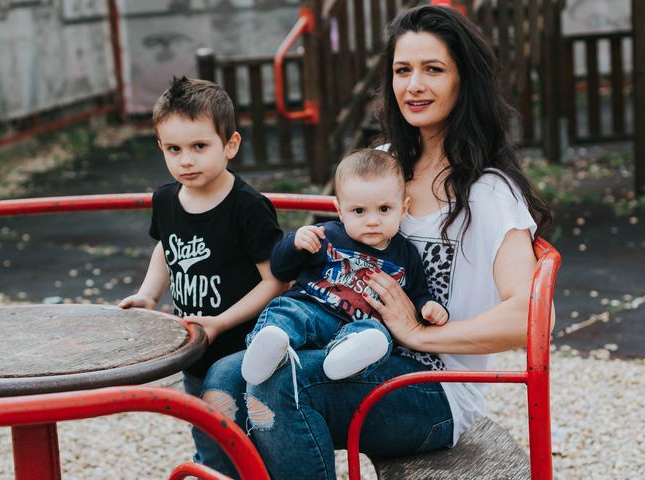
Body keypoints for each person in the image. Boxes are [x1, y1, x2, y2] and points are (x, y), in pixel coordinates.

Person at [196, 5, 553, 479]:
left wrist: (419, 334)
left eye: (433, 69)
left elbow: (530, 318)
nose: (414, 85)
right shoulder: (382, 164)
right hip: (344, 341)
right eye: (403, 70)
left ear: (464, 80)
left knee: (283, 386)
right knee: (224, 375)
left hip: (434, 386)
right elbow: (326, 257)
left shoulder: (487, 192)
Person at [117, 76, 286, 463]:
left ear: (230, 145)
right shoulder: (165, 200)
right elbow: (167, 247)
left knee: (254, 446)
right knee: (211, 442)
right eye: (173, 149)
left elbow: (275, 280)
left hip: (245, 355)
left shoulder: (247, 207)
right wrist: (148, 294)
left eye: (199, 146)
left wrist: (221, 323)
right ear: (160, 147)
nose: (186, 160)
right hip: (195, 349)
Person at [241, 149, 449, 393]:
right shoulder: (326, 235)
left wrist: (428, 307)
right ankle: (268, 348)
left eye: (384, 209)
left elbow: (418, 293)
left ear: (403, 209)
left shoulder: (406, 254)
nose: (372, 221)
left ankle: (345, 360)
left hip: (358, 327)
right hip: (314, 310)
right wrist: (294, 244)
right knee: (288, 311)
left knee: (378, 335)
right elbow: (280, 270)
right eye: (359, 211)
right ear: (340, 210)